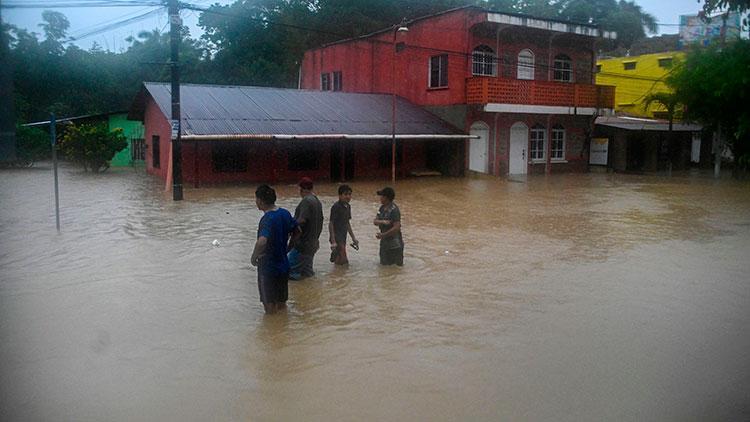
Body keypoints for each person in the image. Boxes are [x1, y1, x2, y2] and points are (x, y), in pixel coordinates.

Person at [250, 184, 299, 314]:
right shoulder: (285, 213)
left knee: (269, 308)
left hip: (268, 269)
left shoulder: (267, 219)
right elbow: (297, 231)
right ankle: (283, 330)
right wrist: (289, 248)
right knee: (282, 304)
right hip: (283, 266)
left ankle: (273, 332)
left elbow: (262, 242)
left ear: (260, 200)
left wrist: (253, 257)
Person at [288, 177, 324, 280]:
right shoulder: (317, 201)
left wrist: (288, 224)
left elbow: (302, 221)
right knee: (307, 274)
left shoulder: (306, 201)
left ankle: (296, 296)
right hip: (312, 244)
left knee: (290, 272)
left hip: (302, 245)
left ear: (302, 189)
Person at [328, 184, 359, 265]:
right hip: (337, 237)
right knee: (344, 262)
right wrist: (333, 241)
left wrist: (353, 238)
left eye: (349, 194)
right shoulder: (336, 207)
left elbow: (347, 223)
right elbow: (331, 224)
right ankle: (340, 276)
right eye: (345, 194)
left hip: (343, 236)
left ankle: (336, 276)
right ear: (340, 195)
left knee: (340, 262)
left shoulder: (348, 206)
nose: (348, 196)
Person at [373, 186, 403, 266]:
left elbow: (396, 227)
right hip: (384, 243)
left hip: (394, 244)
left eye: (381, 196)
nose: (380, 198)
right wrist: (383, 221)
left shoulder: (394, 210)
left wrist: (383, 235)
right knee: (383, 267)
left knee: (395, 269)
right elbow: (375, 221)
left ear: (386, 198)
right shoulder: (382, 208)